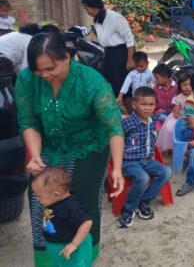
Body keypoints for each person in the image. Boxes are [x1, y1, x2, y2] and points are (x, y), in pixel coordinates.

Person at [16, 32, 124, 265]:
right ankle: (47, 258)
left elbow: (114, 127)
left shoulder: (91, 82)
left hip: (89, 146)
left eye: (50, 68)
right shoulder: (26, 79)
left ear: (67, 57)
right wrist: (35, 155)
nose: (44, 75)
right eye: (38, 70)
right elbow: (28, 121)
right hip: (50, 146)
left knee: (81, 202)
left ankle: (83, 256)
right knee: (40, 200)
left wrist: (117, 168)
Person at [118, 87, 172, 228]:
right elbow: (116, 141)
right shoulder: (128, 124)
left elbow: (152, 142)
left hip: (147, 160)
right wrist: (116, 166)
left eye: (151, 104)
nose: (147, 108)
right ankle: (128, 210)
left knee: (166, 171)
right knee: (143, 178)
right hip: (129, 162)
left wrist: (154, 158)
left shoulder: (153, 121)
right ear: (134, 105)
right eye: (143, 104)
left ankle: (144, 201)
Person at [31, 167, 94, 266]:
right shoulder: (53, 201)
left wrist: (74, 244)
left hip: (70, 247)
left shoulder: (71, 206)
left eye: (39, 196)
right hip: (57, 245)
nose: (37, 199)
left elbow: (87, 222)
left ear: (56, 194)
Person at [81, 0, 136, 96]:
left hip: (122, 53)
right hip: (109, 53)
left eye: (87, 9)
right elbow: (105, 41)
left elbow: (129, 39)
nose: (87, 12)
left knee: (124, 86)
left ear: (94, 7)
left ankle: (130, 112)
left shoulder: (115, 17)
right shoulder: (97, 20)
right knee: (110, 83)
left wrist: (130, 60)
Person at [155, 72, 194, 153]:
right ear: (180, 86)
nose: (187, 87)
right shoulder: (178, 98)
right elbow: (176, 113)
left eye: (189, 85)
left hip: (193, 118)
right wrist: (182, 118)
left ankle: (187, 148)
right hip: (179, 118)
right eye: (184, 85)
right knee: (170, 128)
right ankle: (172, 147)